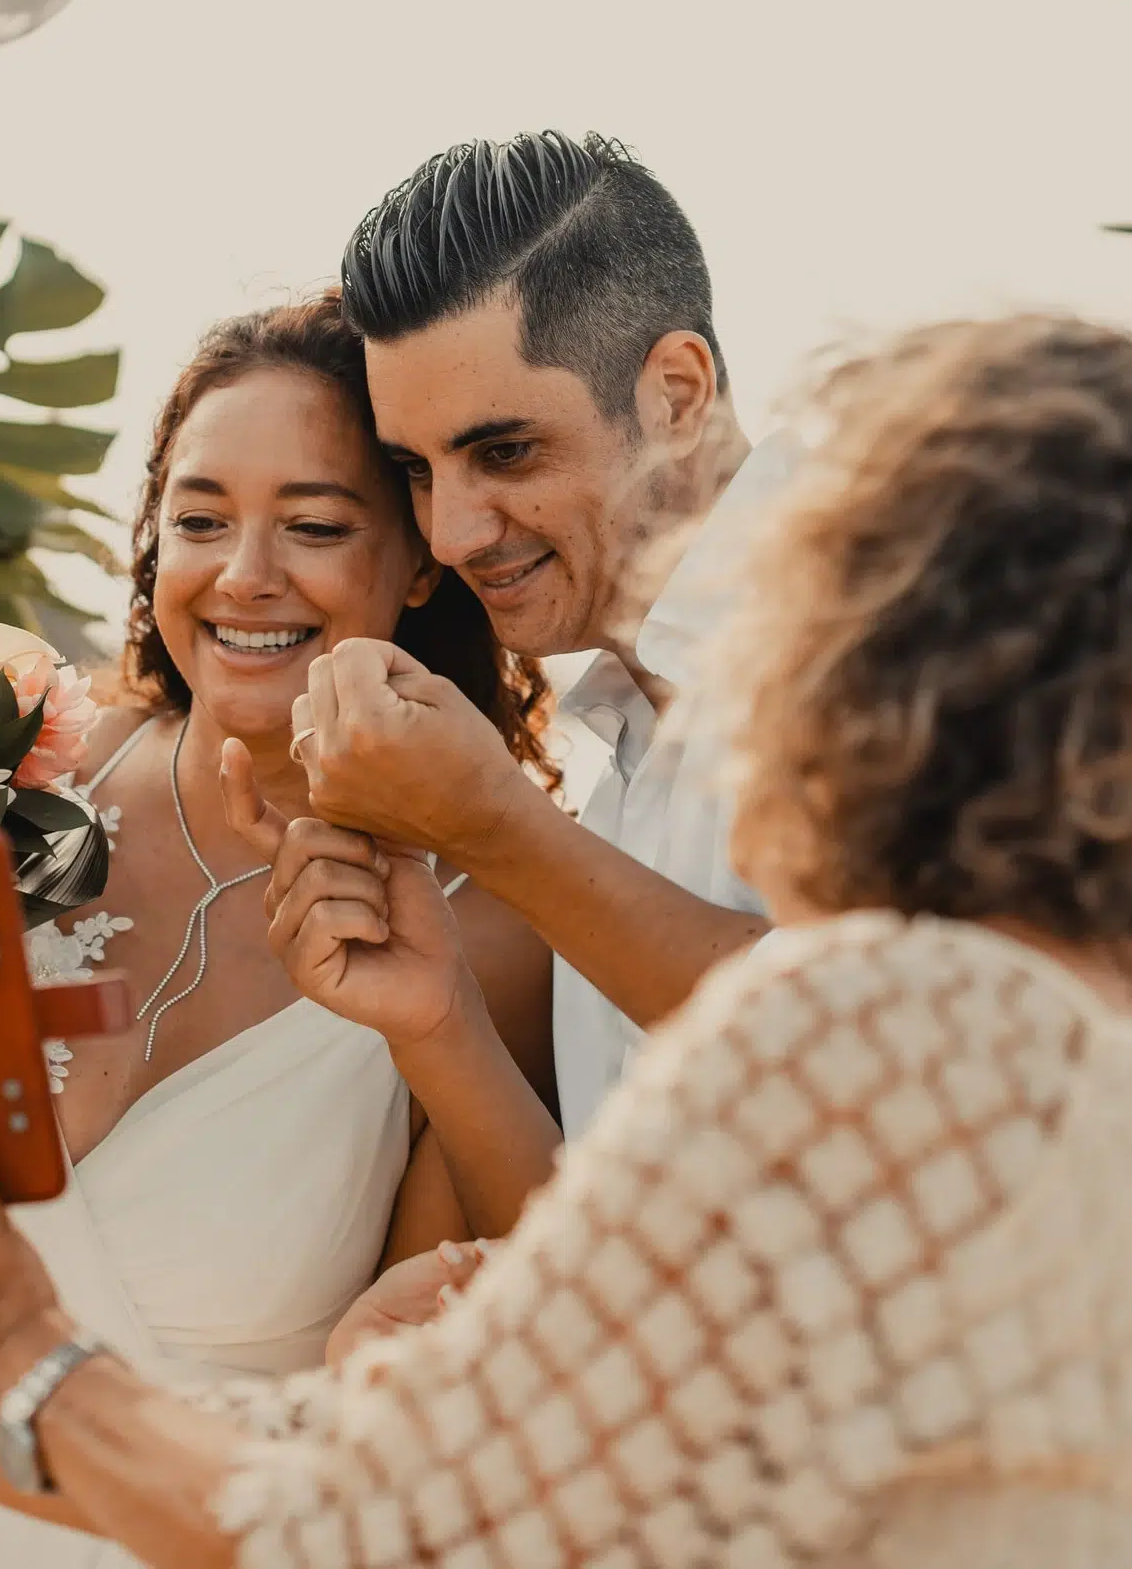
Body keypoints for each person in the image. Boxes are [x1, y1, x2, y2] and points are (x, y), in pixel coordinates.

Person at [0, 314, 1132, 1565]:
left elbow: (379, 1519)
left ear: (858, 645)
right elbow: (503, 1460)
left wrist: (1, 1345)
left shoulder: (885, 1025)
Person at [0, 291, 565, 1569]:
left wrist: (440, 1020)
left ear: (415, 561)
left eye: (312, 524)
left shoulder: (492, 919)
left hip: (159, 1525)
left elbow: (523, 1299)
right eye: (198, 521)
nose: (243, 575)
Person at [289, 129, 788, 1139]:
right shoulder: (614, 759)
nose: (451, 533)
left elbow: (898, 1046)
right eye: (418, 471)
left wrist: (490, 827)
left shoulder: (925, 616)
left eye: (505, 451)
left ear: (677, 393)